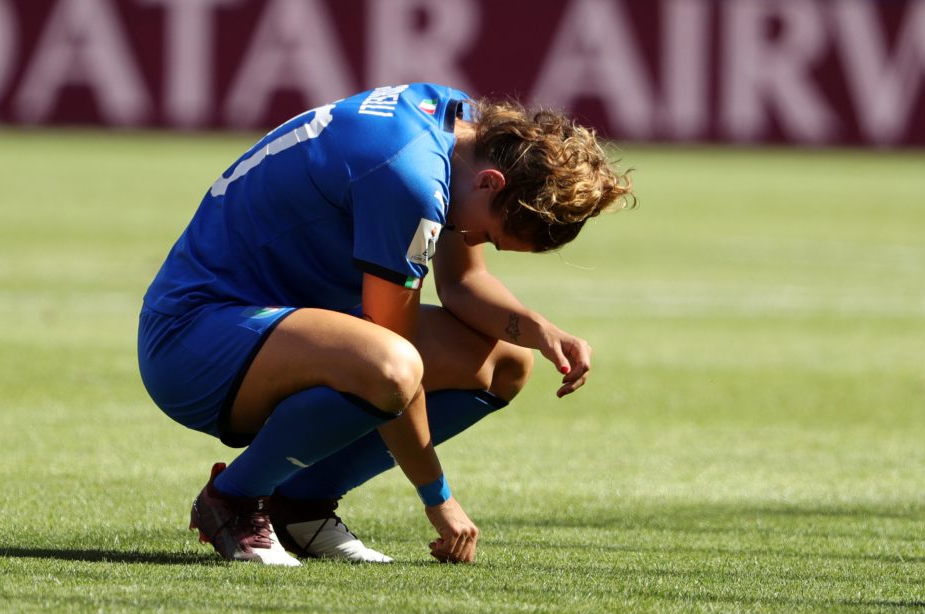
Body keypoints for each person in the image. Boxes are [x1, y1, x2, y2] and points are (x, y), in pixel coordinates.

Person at [137, 83, 632, 566]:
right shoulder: (410, 178)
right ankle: (234, 499)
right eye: (488, 234)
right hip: (193, 342)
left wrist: (536, 327)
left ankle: (301, 506)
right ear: (491, 184)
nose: (473, 238)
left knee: (505, 361)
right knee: (390, 367)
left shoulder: (461, 135)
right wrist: (439, 498)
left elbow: (461, 282)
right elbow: (396, 358)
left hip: (273, 329)